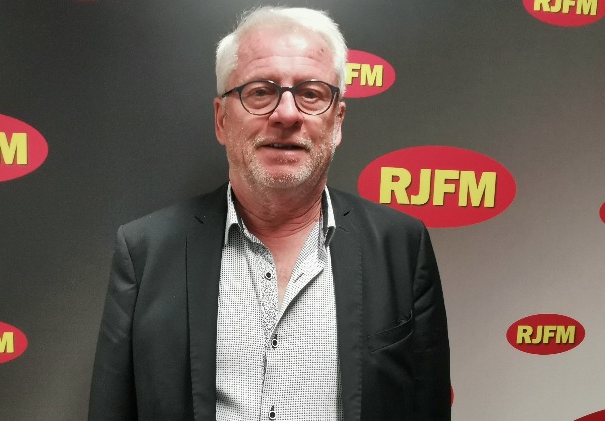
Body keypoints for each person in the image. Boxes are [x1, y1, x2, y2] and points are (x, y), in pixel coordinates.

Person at [89, 6, 450, 420]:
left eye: (311, 93)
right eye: (261, 91)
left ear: (337, 122)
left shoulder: (401, 248)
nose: (287, 114)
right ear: (222, 119)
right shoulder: (146, 252)